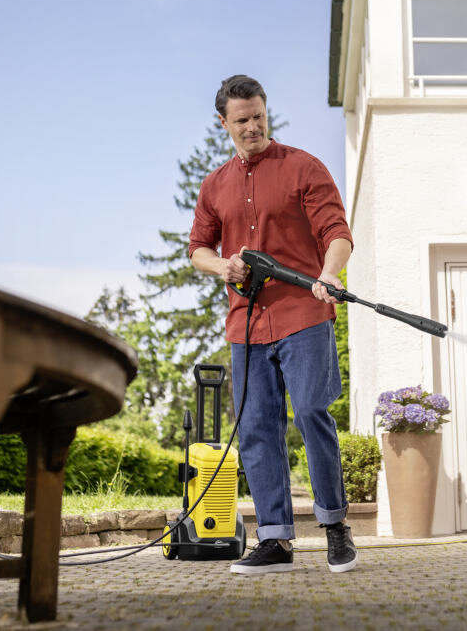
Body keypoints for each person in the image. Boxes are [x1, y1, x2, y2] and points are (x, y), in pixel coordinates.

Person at [188, 74, 357, 575]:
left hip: (303, 313)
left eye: (259, 116)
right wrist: (224, 266)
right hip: (245, 325)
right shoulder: (214, 185)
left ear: (267, 112)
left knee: (310, 412)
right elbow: (198, 248)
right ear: (224, 123)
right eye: (242, 120)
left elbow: (337, 232)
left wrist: (328, 273)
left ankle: (335, 526)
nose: (253, 126)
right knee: (259, 428)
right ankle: (276, 541)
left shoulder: (304, 167)